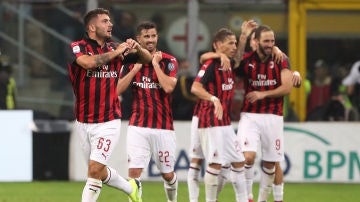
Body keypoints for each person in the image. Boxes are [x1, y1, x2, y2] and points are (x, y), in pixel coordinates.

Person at [67, 8, 152, 202]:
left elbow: (147, 60)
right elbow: (88, 63)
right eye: (104, 21)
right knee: (99, 170)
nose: (110, 24)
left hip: (108, 120)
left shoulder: (116, 47)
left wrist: (137, 48)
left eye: (110, 21)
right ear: (91, 27)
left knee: (94, 171)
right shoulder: (78, 46)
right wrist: (118, 52)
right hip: (83, 121)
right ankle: (131, 187)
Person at [116, 21, 178, 202]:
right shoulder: (130, 61)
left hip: (163, 127)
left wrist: (156, 65)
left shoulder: (168, 61)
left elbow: (168, 88)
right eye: (146, 36)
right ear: (138, 39)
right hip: (138, 126)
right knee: (134, 174)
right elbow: (117, 90)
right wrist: (135, 68)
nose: (151, 40)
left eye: (153, 36)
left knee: (168, 175)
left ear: (157, 37)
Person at [235, 25, 294, 202]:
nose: (270, 44)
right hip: (250, 115)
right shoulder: (247, 59)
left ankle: (262, 199)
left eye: (272, 41)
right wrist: (243, 37)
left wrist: (263, 94)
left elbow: (287, 87)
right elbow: (235, 63)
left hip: (274, 116)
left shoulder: (281, 59)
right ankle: (247, 197)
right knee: (247, 157)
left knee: (270, 163)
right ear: (257, 42)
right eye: (266, 41)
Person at [190, 27, 248, 202]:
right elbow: (195, 87)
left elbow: (238, 58)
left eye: (235, 43)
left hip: (225, 123)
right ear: (217, 45)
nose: (234, 46)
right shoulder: (211, 64)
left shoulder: (228, 64)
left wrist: (244, 36)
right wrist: (214, 99)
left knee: (238, 162)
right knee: (213, 164)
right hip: (209, 119)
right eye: (230, 43)